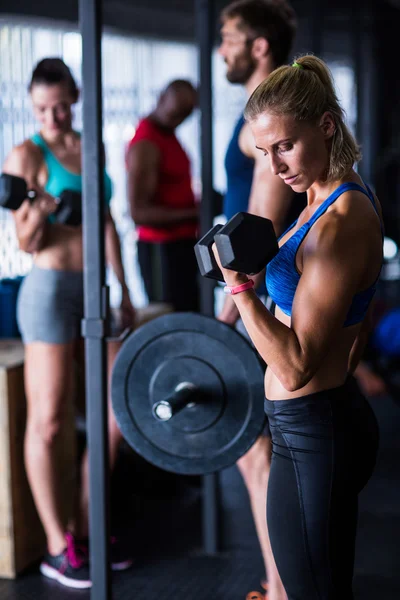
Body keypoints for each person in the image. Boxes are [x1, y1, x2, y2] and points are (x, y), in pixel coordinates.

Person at [213, 54, 383, 599]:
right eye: (265, 152)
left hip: (313, 430)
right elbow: (341, 326)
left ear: (326, 125)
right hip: (311, 424)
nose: (276, 165)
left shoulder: (342, 222)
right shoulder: (313, 199)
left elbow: (294, 366)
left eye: (284, 145)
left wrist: (239, 288)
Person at [2, 58, 135, 589]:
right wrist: (40, 206)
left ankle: (86, 525)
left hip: (95, 289)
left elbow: (105, 220)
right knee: (49, 420)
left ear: (75, 97)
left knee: (116, 415)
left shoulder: (90, 146)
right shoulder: (26, 154)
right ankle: (60, 547)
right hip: (50, 291)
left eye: (60, 105)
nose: (52, 117)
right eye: (41, 109)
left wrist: (123, 287)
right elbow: (25, 242)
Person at [217, 2, 301, 597]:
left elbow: (259, 229)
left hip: (260, 296)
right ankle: (278, 585)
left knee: (258, 455)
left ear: (259, 46)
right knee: (260, 454)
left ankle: (280, 588)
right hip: (255, 293)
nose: (222, 49)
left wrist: (234, 297)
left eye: (228, 38)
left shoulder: (269, 118)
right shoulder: (261, 110)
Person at [126, 80, 199, 312]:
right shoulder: (147, 143)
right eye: (175, 113)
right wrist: (196, 212)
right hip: (161, 249)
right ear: (160, 99)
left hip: (181, 245)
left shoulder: (167, 133)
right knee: (169, 322)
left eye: (185, 115)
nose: (179, 120)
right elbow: (138, 213)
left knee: (189, 318)